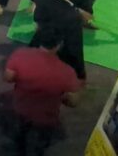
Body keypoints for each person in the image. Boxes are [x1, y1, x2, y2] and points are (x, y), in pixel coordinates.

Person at [4, 27, 80, 156]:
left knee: (20, 134)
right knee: (40, 144)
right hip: (46, 117)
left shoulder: (20, 55)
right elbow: (73, 102)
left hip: (21, 108)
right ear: (59, 45)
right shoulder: (68, 72)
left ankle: (18, 148)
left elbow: (8, 78)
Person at [30, 0, 86, 81]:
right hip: (58, 53)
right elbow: (76, 47)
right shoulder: (73, 16)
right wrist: (81, 74)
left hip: (37, 44)